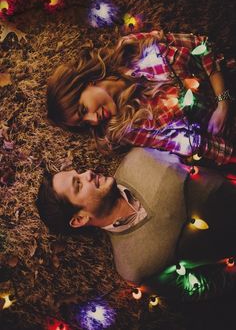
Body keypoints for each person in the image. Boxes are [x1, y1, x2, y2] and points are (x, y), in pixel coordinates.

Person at [36, 148, 236, 283]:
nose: (87, 173)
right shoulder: (133, 265)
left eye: (78, 173)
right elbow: (194, 289)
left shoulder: (138, 158)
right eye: (78, 185)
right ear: (79, 219)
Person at [46, 30, 236, 166]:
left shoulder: (131, 48)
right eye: (85, 123)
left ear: (85, 83)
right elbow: (195, 143)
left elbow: (201, 46)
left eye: (83, 110)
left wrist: (223, 102)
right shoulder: (128, 128)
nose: (94, 120)